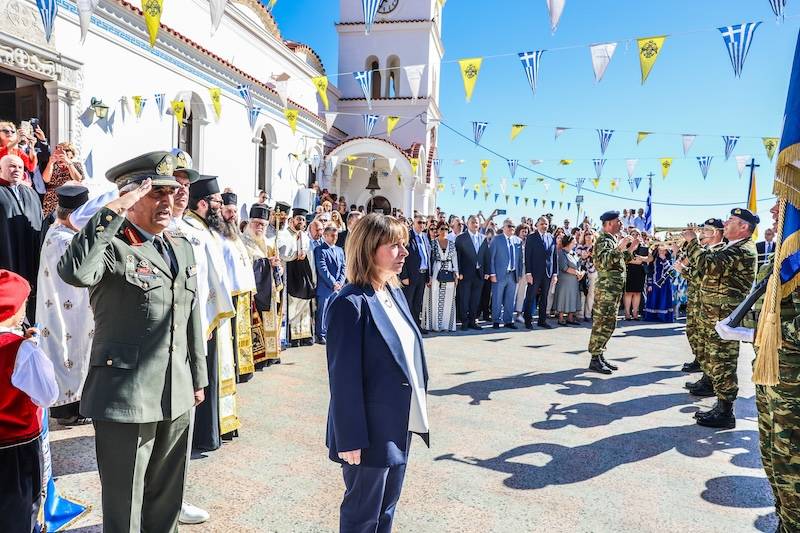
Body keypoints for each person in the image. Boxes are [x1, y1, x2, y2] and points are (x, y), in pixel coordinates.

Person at [57, 152, 208, 532]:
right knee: (125, 502)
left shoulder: (180, 246)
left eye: (171, 192)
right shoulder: (111, 246)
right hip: (126, 393)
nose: (167, 201)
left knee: (167, 497)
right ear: (130, 196)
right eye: (155, 192)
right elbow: (74, 271)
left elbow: (190, 315)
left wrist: (198, 375)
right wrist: (114, 210)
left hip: (175, 389)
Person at [325, 213, 429, 533]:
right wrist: (349, 439)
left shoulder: (393, 292)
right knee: (362, 516)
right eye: (395, 245)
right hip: (367, 434)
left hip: (398, 424)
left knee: (386, 509)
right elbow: (343, 381)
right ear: (370, 248)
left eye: (405, 244)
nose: (404, 252)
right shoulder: (349, 303)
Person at [683, 207, 757, 428]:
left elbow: (708, 263)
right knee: (714, 360)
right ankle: (719, 404)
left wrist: (693, 242)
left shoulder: (743, 250)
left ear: (744, 227)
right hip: (713, 314)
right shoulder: (732, 246)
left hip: (725, 318)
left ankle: (725, 412)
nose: (726, 222)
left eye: (732, 220)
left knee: (723, 362)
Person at [0, 269, 58, 533]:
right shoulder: (20, 349)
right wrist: (33, 348)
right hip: (17, 447)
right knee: (19, 512)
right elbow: (47, 394)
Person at [184, 175, 239, 453]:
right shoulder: (192, 231)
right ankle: (202, 435)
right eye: (218, 201)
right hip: (204, 313)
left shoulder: (204, 229)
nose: (221, 206)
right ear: (204, 203)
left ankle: (211, 431)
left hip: (214, 311)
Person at [35, 185, 93, 425]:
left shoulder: (59, 231)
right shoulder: (62, 239)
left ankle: (77, 408)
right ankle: (68, 411)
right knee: (67, 352)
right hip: (66, 308)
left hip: (74, 306)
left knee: (76, 353)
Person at [587, 211, 638, 374]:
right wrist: (621, 247)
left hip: (614, 288)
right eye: (618, 221)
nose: (621, 224)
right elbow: (603, 261)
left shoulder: (611, 239)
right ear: (609, 223)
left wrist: (630, 250)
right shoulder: (603, 240)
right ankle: (594, 358)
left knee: (609, 323)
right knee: (602, 323)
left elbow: (619, 260)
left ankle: (600, 354)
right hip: (606, 289)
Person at [680, 219, 725, 390]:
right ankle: (705, 375)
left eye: (706, 230)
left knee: (709, 344)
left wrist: (684, 270)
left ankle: (709, 381)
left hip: (711, 305)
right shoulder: (706, 251)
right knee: (698, 338)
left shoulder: (720, 251)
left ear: (716, 232)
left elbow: (704, 275)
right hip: (700, 301)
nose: (701, 233)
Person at [219, 191, 257, 385]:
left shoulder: (236, 235)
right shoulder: (219, 235)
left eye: (235, 211)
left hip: (242, 293)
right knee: (231, 335)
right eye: (229, 211)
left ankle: (243, 368)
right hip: (229, 293)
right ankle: (233, 368)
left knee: (243, 332)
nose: (232, 215)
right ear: (221, 211)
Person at [0, 154, 43, 321]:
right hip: (6, 251)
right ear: (1, 169)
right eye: (11, 166)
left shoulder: (30, 193)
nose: (16, 170)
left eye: (20, 167)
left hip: (30, 251)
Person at [242, 205, 284, 366]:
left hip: (270, 290)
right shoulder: (243, 242)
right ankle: (259, 359)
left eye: (263, 224)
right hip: (255, 293)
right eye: (256, 223)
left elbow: (277, 267)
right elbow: (246, 266)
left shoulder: (269, 243)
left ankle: (271, 354)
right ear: (250, 223)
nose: (259, 227)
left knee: (271, 323)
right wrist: (267, 263)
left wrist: (277, 267)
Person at [278, 207, 316, 347]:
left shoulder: (305, 236)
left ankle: (304, 336)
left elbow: (309, 255)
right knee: (291, 305)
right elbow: (283, 253)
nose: (300, 221)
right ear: (292, 219)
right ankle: (291, 338)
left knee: (304, 304)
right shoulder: (284, 234)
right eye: (298, 218)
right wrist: (296, 252)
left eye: (303, 219)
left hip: (303, 274)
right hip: (290, 272)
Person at [422, 221, 459, 332]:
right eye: (441, 228)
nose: (444, 231)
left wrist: (456, 272)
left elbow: (454, 259)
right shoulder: (432, 243)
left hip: (449, 272)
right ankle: (434, 325)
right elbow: (428, 259)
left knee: (448, 299)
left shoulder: (452, 244)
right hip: (436, 272)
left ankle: (446, 325)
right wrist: (428, 276)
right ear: (437, 230)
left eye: (446, 229)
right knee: (435, 299)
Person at [455, 215, 490, 331]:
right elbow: (458, 256)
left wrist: (487, 271)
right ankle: (464, 322)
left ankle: (472, 321)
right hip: (465, 274)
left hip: (479, 274)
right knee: (464, 298)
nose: (475, 224)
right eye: (473, 222)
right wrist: (458, 271)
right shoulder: (461, 238)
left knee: (475, 299)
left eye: (477, 222)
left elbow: (486, 256)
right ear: (468, 223)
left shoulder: (483, 238)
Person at [314, 224, 345, 344]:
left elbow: (343, 267)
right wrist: (333, 283)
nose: (334, 238)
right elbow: (322, 268)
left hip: (337, 287)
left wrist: (340, 282)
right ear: (325, 235)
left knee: (333, 311)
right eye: (332, 235)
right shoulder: (320, 250)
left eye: (336, 235)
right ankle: (320, 334)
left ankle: (329, 332)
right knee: (322, 311)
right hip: (325, 287)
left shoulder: (339, 250)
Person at [488, 218, 523, 329]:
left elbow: (520, 260)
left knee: (510, 299)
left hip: (513, 275)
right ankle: (496, 320)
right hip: (499, 275)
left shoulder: (518, 241)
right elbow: (491, 258)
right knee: (497, 299)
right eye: (509, 226)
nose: (511, 228)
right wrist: (492, 274)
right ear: (503, 227)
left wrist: (520, 274)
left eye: (513, 226)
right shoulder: (496, 239)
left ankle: (508, 320)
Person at [524, 216, 557, 329]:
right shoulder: (531, 237)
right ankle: (528, 320)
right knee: (530, 296)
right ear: (537, 225)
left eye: (546, 224)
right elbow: (527, 256)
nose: (544, 226)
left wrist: (555, 273)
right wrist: (528, 273)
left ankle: (542, 320)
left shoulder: (551, 238)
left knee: (544, 298)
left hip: (547, 273)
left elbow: (554, 256)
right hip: (534, 273)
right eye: (542, 224)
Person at [400, 215, 431, 329]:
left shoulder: (425, 237)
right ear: (413, 223)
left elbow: (428, 256)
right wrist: (404, 276)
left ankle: (416, 326)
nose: (422, 225)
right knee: (408, 302)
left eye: (424, 223)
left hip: (422, 275)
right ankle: (406, 326)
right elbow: (402, 256)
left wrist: (429, 276)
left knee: (418, 303)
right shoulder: (407, 236)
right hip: (410, 276)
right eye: (419, 222)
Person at [41, 142, 85, 217]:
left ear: (71, 156)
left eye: (66, 155)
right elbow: (46, 179)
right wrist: (50, 163)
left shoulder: (76, 165)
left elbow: (78, 179)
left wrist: (68, 163)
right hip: (52, 200)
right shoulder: (52, 165)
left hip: (69, 198)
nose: (61, 157)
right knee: (50, 223)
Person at [555, 234, 583, 326]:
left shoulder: (573, 253)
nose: (575, 242)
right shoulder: (561, 252)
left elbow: (578, 265)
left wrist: (580, 273)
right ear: (569, 242)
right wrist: (576, 273)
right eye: (574, 240)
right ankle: (561, 318)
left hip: (574, 280)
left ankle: (570, 318)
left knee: (573, 297)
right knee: (563, 297)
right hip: (565, 280)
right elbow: (564, 267)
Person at [642, 245, 675, 322]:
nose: (662, 252)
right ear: (657, 250)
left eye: (664, 250)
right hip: (654, 283)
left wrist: (664, 260)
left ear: (667, 251)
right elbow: (650, 272)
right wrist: (649, 284)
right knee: (653, 299)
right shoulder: (653, 260)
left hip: (665, 284)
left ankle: (663, 317)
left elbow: (671, 272)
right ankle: (652, 317)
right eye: (660, 250)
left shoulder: (669, 259)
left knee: (664, 300)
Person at [623, 229, 647, 321]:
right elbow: (625, 259)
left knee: (637, 293)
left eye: (637, 234)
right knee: (628, 293)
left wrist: (641, 259)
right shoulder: (627, 246)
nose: (635, 235)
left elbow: (650, 258)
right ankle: (627, 313)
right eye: (633, 234)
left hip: (640, 272)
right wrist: (638, 261)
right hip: (629, 271)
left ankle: (635, 313)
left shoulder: (643, 246)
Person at [514, 224, 531, 323]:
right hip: (515, 270)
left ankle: (519, 313)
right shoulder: (514, 241)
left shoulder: (528, 243)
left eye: (526, 232)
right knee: (513, 292)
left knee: (522, 293)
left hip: (525, 269)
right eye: (523, 231)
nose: (525, 234)